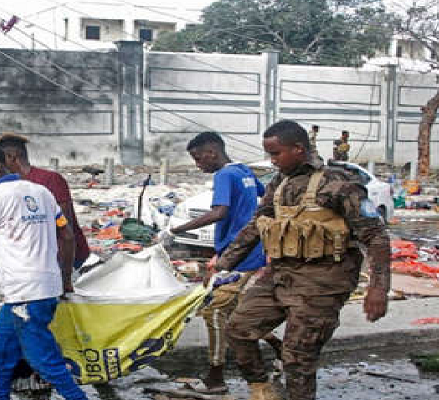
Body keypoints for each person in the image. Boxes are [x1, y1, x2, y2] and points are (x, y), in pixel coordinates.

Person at [215, 120, 390, 400]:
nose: (272, 161)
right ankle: (264, 389)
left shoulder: (339, 183)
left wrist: (379, 288)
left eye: (276, 154)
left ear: (298, 149)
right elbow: (257, 223)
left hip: (324, 281)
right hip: (282, 275)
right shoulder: (280, 182)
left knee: (298, 358)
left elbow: (376, 236)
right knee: (238, 329)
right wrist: (223, 264)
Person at [0, 142, 88, 400]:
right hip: (37, 289)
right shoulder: (41, 192)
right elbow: (66, 235)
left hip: (24, 292)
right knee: (0, 352)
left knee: (46, 361)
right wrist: (64, 279)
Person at [159, 132, 281, 394]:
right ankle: (281, 352)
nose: (198, 164)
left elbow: (219, 212)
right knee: (236, 311)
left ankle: (215, 378)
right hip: (245, 252)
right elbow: (265, 194)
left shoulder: (224, 175)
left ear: (212, 152)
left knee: (214, 313)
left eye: (198, 158)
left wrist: (176, 229)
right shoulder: (244, 171)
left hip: (239, 257)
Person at [0, 133, 90, 270]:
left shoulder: (50, 180)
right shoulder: (5, 185)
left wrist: (64, 273)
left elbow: (64, 227)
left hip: (61, 259)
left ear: (11, 157)